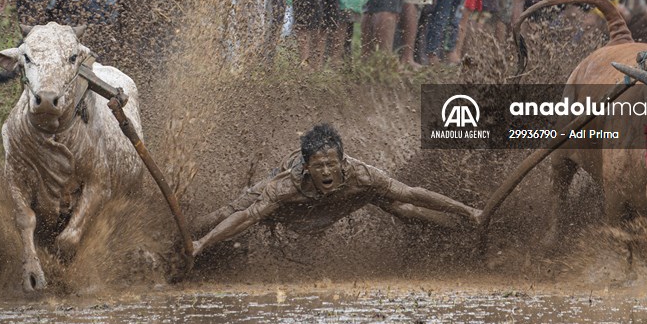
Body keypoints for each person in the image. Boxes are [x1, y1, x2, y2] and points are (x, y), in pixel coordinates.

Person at [191, 123, 482, 257]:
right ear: (307, 168)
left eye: (332, 164)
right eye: (319, 166)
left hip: (344, 197)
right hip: (295, 204)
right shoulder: (284, 186)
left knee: (404, 208)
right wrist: (202, 243)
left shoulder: (361, 175)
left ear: (342, 162)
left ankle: (460, 229)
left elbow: (412, 192)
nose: (327, 171)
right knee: (229, 212)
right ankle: (186, 236)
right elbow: (247, 216)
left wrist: (467, 209)